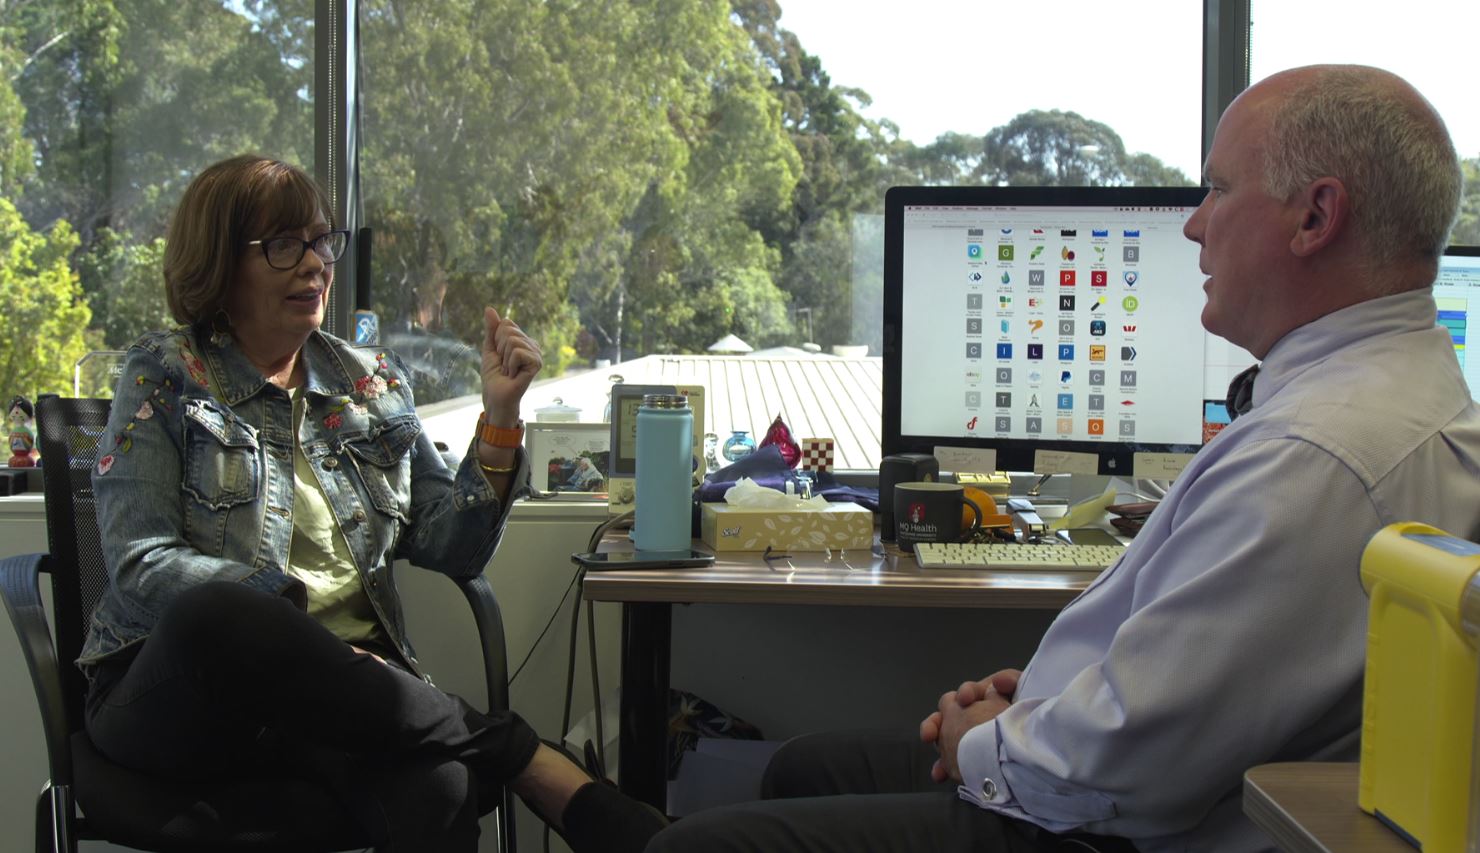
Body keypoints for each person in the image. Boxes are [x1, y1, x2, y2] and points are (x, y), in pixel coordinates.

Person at [647, 64, 1480, 853]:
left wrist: (993, 739)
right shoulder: (1394, 399)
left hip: (1126, 827)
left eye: (1218, 190)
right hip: (1143, 777)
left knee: (700, 843)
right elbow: (1201, 685)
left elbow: (1131, 762)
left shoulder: (1315, 457)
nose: (1193, 221)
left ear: (1314, 216)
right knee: (804, 767)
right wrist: (1048, 700)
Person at [79, 155, 665, 852]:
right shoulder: (168, 374)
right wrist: (284, 616)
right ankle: (525, 758)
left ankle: (497, 753)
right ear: (219, 263)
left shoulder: (371, 383)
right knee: (224, 609)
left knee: (441, 788)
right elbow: (142, 561)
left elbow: (453, 546)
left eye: (323, 241)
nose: (316, 264)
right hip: (183, 699)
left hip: (341, 704)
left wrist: (501, 419)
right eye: (286, 245)